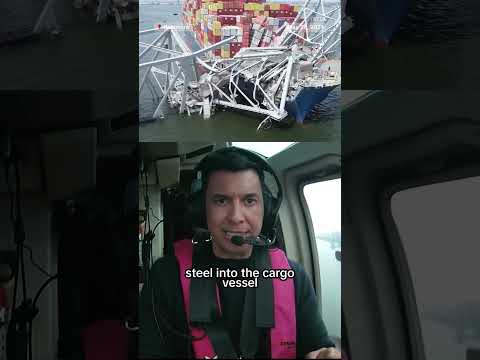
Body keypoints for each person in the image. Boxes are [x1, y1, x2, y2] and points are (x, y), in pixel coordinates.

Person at [139, 147, 341, 359]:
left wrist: (323, 355)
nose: (236, 217)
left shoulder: (294, 276)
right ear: (202, 210)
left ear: (267, 209)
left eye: (249, 201)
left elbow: (317, 347)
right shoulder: (165, 276)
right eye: (221, 201)